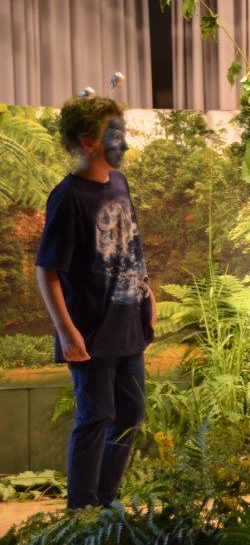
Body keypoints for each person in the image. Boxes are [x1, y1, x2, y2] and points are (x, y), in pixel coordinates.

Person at [35, 96, 156, 509]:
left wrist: (148, 291)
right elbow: (47, 270)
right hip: (89, 331)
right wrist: (66, 330)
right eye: (114, 135)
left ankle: (106, 503)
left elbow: (130, 245)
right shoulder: (68, 197)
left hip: (128, 323)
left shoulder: (120, 184)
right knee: (96, 415)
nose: (125, 143)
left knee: (131, 412)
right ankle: (82, 511)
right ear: (88, 142)